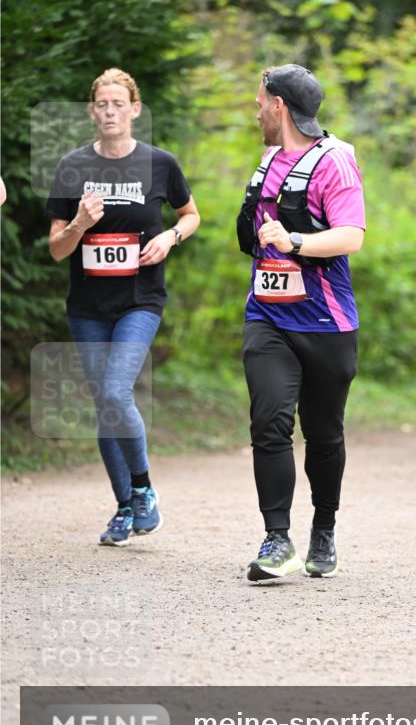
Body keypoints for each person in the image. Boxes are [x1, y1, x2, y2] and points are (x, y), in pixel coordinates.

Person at [46, 68, 200, 545]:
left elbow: (191, 215)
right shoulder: (72, 166)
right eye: (102, 104)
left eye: (119, 103)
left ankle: (144, 489)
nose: (110, 111)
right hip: (88, 306)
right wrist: (77, 225)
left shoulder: (159, 163)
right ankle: (124, 507)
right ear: (92, 111)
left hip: (140, 300)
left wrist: (171, 238)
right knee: (104, 407)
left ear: (135, 109)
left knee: (115, 393)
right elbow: (56, 249)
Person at [238, 64, 365, 581]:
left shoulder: (334, 162)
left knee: (323, 434)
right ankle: (276, 539)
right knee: (269, 421)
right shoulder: (268, 162)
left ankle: (325, 529)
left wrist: (293, 242)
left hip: (325, 322)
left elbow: (351, 236)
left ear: (279, 106)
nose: (256, 110)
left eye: (259, 101)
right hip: (267, 316)